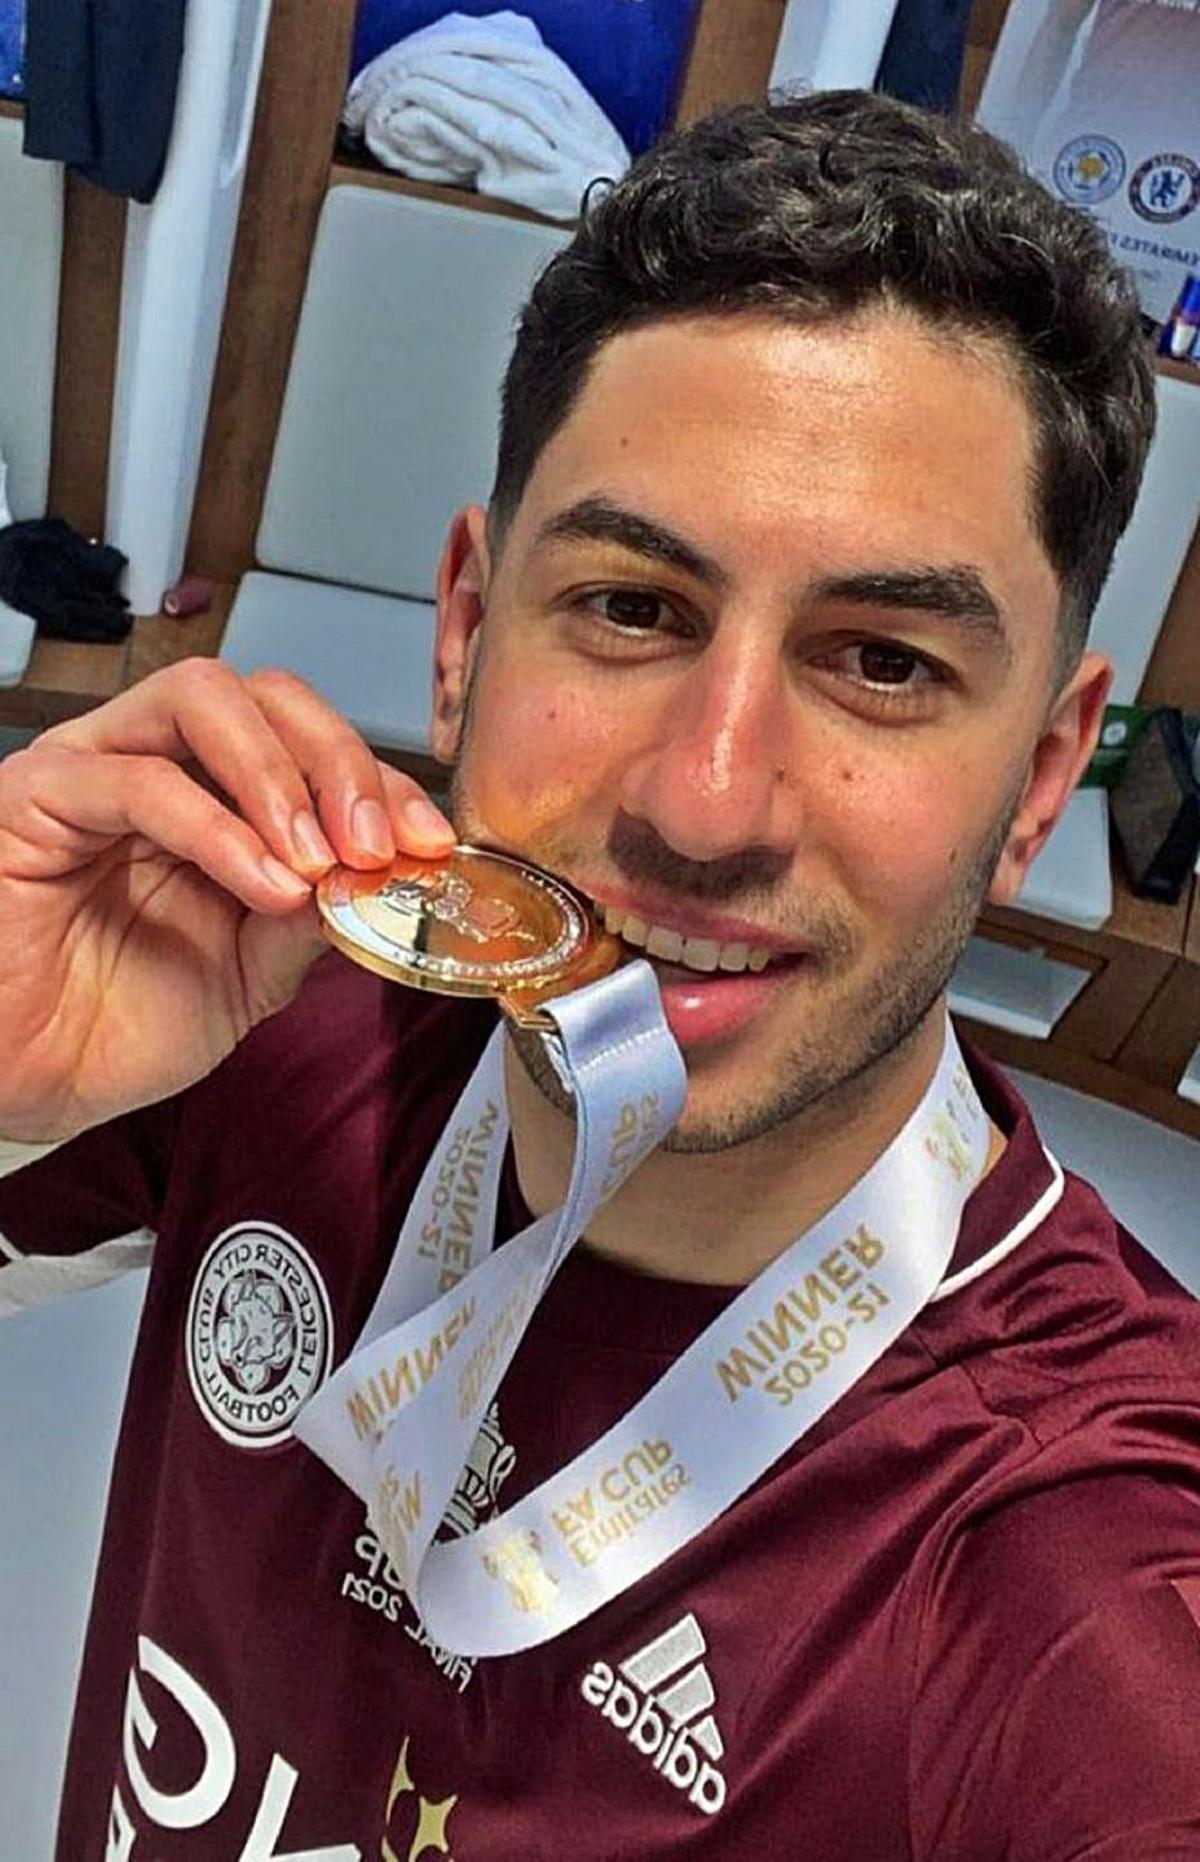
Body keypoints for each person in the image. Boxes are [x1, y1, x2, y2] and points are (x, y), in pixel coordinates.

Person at [1, 89, 1198, 1860]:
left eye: (880, 661)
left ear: (1037, 780)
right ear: (469, 628)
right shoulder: (263, 994)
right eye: (633, 607)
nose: (706, 803)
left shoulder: (1074, 1574)